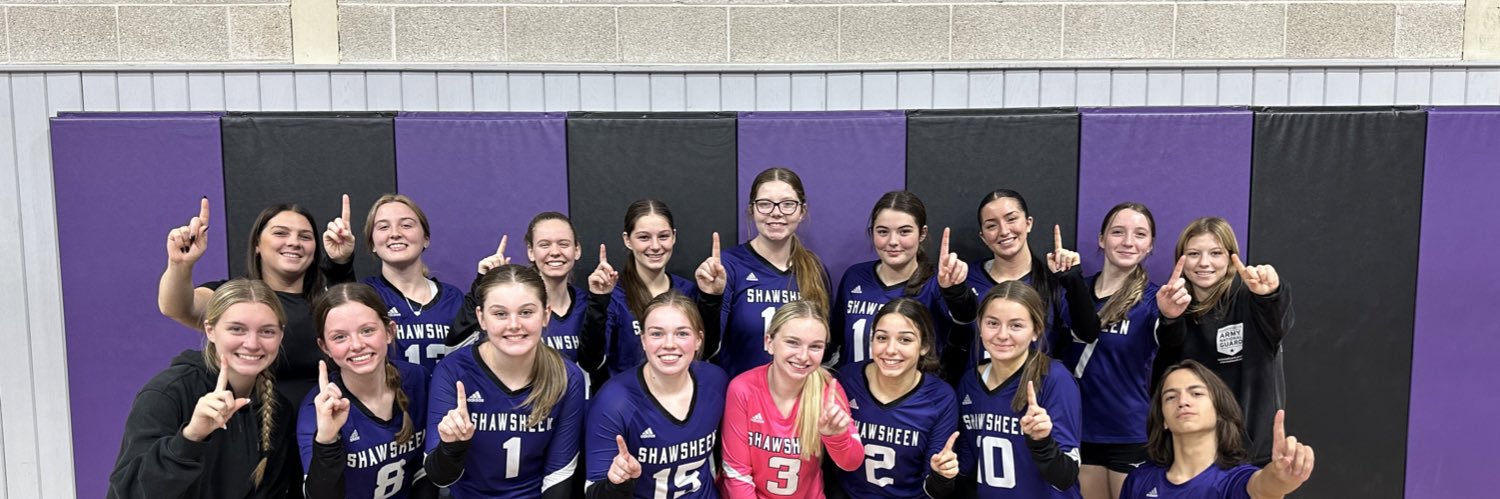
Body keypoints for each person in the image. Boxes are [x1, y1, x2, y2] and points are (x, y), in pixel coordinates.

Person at [158, 197, 355, 404]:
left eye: (305, 237)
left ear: (315, 251)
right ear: (257, 245)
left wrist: (340, 263)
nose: (294, 242)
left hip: (323, 429)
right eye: (280, 233)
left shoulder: (328, 301)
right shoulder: (234, 298)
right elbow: (178, 307)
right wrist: (180, 264)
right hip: (252, 428)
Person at [110, 279, 295, 498]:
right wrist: (191, 438)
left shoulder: (279, 409)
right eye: (237, 329)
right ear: (210, 330)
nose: (252, 344)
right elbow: (130, 493)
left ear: (281, 335)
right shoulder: (168, 393)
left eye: (267, 332)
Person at [425, 264, 586, 498]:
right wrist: (452, 446)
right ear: (481, 318)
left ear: (546, 315)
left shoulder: (567, 377)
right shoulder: (453, 371)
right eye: (500, 313)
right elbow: (440, 477)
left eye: (526, 312)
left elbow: (558, 476)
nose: (514, 325)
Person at [1062, 203, 1185, 499]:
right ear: (1102, 239)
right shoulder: (1074, 291)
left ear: (1150, 246)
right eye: (1118, 232)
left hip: (1129, 433)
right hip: (1079, 430)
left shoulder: (1157, 299)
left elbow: (1173, 349)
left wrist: (1171, 318)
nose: (1128, 241)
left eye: (1140, 234)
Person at [1155, 217, 1293, 466]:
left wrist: (1270, 296)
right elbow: (1165, 370)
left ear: (1231, 257)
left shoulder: (1251, 299)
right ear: (1180, 260)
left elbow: (1278, 325)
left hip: (1251, 455)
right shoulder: (1174, 305)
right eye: (1194, 253)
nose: (1204, 263)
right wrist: (1169, 319)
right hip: (1192, 454)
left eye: (1215, 253)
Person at [583, 291, 728, 499]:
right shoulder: (613, 401)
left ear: (698, 340)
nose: (669, 344)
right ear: (643, 340)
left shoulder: (716, 382)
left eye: (682, 333)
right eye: (657, 334)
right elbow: (594, 493)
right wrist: (620, 483)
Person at [299, 283, 434, 499]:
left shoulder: (417, 380)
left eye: (367, 330)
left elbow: (425, 469)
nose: (356, 345)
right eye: (339, 337)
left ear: (390, 331)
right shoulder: (317, 408)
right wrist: (327, 440)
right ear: (325, 347)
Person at [696, 167, 831, 378]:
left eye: (788, 204)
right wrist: (710, 298)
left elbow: (825, 346)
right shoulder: (728, 266)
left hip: (798, 398)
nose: (776, 212)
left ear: (802, 211)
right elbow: (706, 348)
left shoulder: (814, 269)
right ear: (752, 210)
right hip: (742, 397)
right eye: (765, 204)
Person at [721, 300, 863, 498]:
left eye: (815, 346)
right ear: (769, 342)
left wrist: (836, 437)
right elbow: (737, 474)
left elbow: (851, 463)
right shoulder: (743, 388)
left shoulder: (828, 390)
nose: (803, 356)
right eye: (792, 342)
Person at [956, 281, 1082, 498]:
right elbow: (967, 464)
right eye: (993, 323)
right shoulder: (970, 382)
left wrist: (1042, 442)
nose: (1002, 335)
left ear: (1036, 331)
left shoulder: (1055, 379)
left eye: (1016, 325)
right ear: (979, 325)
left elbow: (1065, 478)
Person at [1119, 360, 1313, 499]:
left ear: (1220, 410)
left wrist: (1280, 480)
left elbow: (1263, 487)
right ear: (1163, 420)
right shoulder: (1139, 480)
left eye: (1196, 393)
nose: (1183, 402)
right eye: (1170, 397)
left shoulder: (1235, 480)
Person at [947, 190, 1099, 367]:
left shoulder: (1054, 281)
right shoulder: (965, 277)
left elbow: (1087, 334)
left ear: (1028, 223)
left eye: (1011, 219)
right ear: (983, 237)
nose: (1004, 231)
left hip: (1037, 389)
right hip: (980, 390)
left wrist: (1073, 280)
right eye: (991, 225)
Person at [830, 298, 960, 499]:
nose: (890, 350)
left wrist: (941, 476)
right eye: (882, 338)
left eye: (905, 340)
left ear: (924, 345)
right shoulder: (846, 379)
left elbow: (937, 491)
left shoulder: (940, 398)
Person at [830, 191, 964, 370]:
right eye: (883, 231)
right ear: (872, 233)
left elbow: (966, 320)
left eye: (904, 232)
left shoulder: (938, 283)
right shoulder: (854, 277)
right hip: (854, 392)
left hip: (914, 396)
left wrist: (955, 291)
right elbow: (834, 341)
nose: (893, 241)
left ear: (922, 233)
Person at [449, 213, 592, 367]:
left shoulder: (589, 305)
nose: (555, 252)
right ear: (531, 251)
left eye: (563, 244)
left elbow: (597, 364)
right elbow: (454, 349)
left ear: (577, 250)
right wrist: (482, 283)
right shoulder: (508, 308)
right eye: (544, 244)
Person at [588, 199, 700, 376]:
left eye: (663, 236)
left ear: (674, 236)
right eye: (644, 237)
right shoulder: (613, 296)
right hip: (628, 399)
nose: (655, 246)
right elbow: (591, 361)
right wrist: (598, 302)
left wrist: (712, 297)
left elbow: (703, 354)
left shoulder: (688, 291)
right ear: (627, 240)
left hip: (679, 398)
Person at [359, 194, 465, 373]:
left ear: (426, 238)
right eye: (383, 227)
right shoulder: (366, 295)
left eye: (406, 225)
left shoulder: (453, 297)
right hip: (391, 400)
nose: (395, 234)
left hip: (445, 400)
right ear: (372, 244)